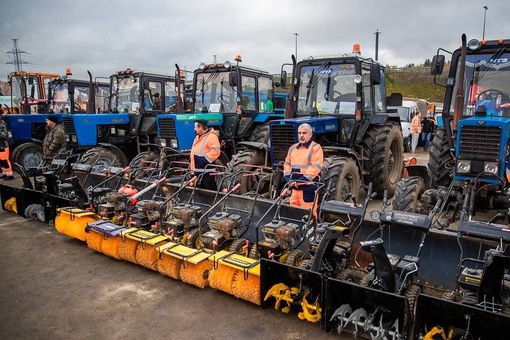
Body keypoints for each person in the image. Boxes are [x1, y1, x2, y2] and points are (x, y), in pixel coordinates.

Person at [283, 123, 324, 209]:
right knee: (294, 215)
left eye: (304, 133)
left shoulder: (315, 148)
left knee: (309, 216)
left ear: (310, 134)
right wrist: (289, 180)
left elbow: (315, 167)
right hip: (294, 190)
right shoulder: (293, 148)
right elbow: (287, 164)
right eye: (299, 133)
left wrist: (299, 182)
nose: (301, 135)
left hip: (308, 190)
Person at [190, 119, 221, 190]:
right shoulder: (197, 137)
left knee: (210, 191)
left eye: (196, 127)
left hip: (207, 172)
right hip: (198, 172)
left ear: (201, 127)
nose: (194, 129)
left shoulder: (211, 137)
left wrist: (204, 160)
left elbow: (216, 152)